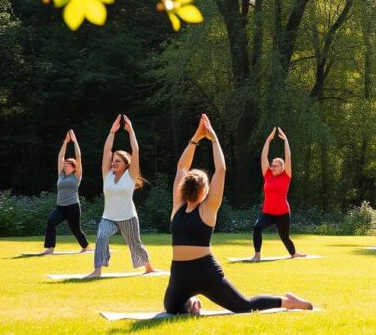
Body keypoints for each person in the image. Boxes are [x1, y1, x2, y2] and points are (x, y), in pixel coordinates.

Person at [163, 115, 313, 315]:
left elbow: (186, 168)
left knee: (244, 306)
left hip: (205, 271)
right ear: (205, 189)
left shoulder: (204, 208)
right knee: (171, 308)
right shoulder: (180, 206)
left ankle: (289, 302)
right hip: (180, 274)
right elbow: (218, 170)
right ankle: (193, 303)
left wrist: (197, 139)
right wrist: (211, 139)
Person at [86, 114, 156, 278]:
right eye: (113, 161)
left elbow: (136, 151)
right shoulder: (107, 175)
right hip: (108, 217)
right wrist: (112, 132)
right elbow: (106, 151)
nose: (113, 163)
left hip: (128, 217)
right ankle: (98, 270)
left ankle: (148, 267)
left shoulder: (130, 175)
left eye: (118, 161)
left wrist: (131, 131)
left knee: (135, 244)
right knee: (101, 237)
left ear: (126, 164)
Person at [249, 127, 305, 261]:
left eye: (275, 165)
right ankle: (257, 255)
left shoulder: (286, 176)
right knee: (257, 227)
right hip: (268, 213)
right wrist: (268, 140)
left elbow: (288, 157)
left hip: (283, 213)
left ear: (282, 167)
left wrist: (285, 140)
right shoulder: (268, 175)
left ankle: (294, 253)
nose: (272, 167)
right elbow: (263, 157)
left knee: (284, 237)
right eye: (272, 165)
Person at [41, 130, 90, 254]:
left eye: (68, 165)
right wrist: (65, 142)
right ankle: (50, 248)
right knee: (51, 221)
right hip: (61, 207)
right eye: (65, 165)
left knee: (75, 229)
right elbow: (60, 156)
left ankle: (85, 246)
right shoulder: (61, 175)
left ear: (74, 167)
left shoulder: (77, 176)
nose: (66, 166)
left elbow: (78, 157)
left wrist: (74, 141)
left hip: (73, 206)